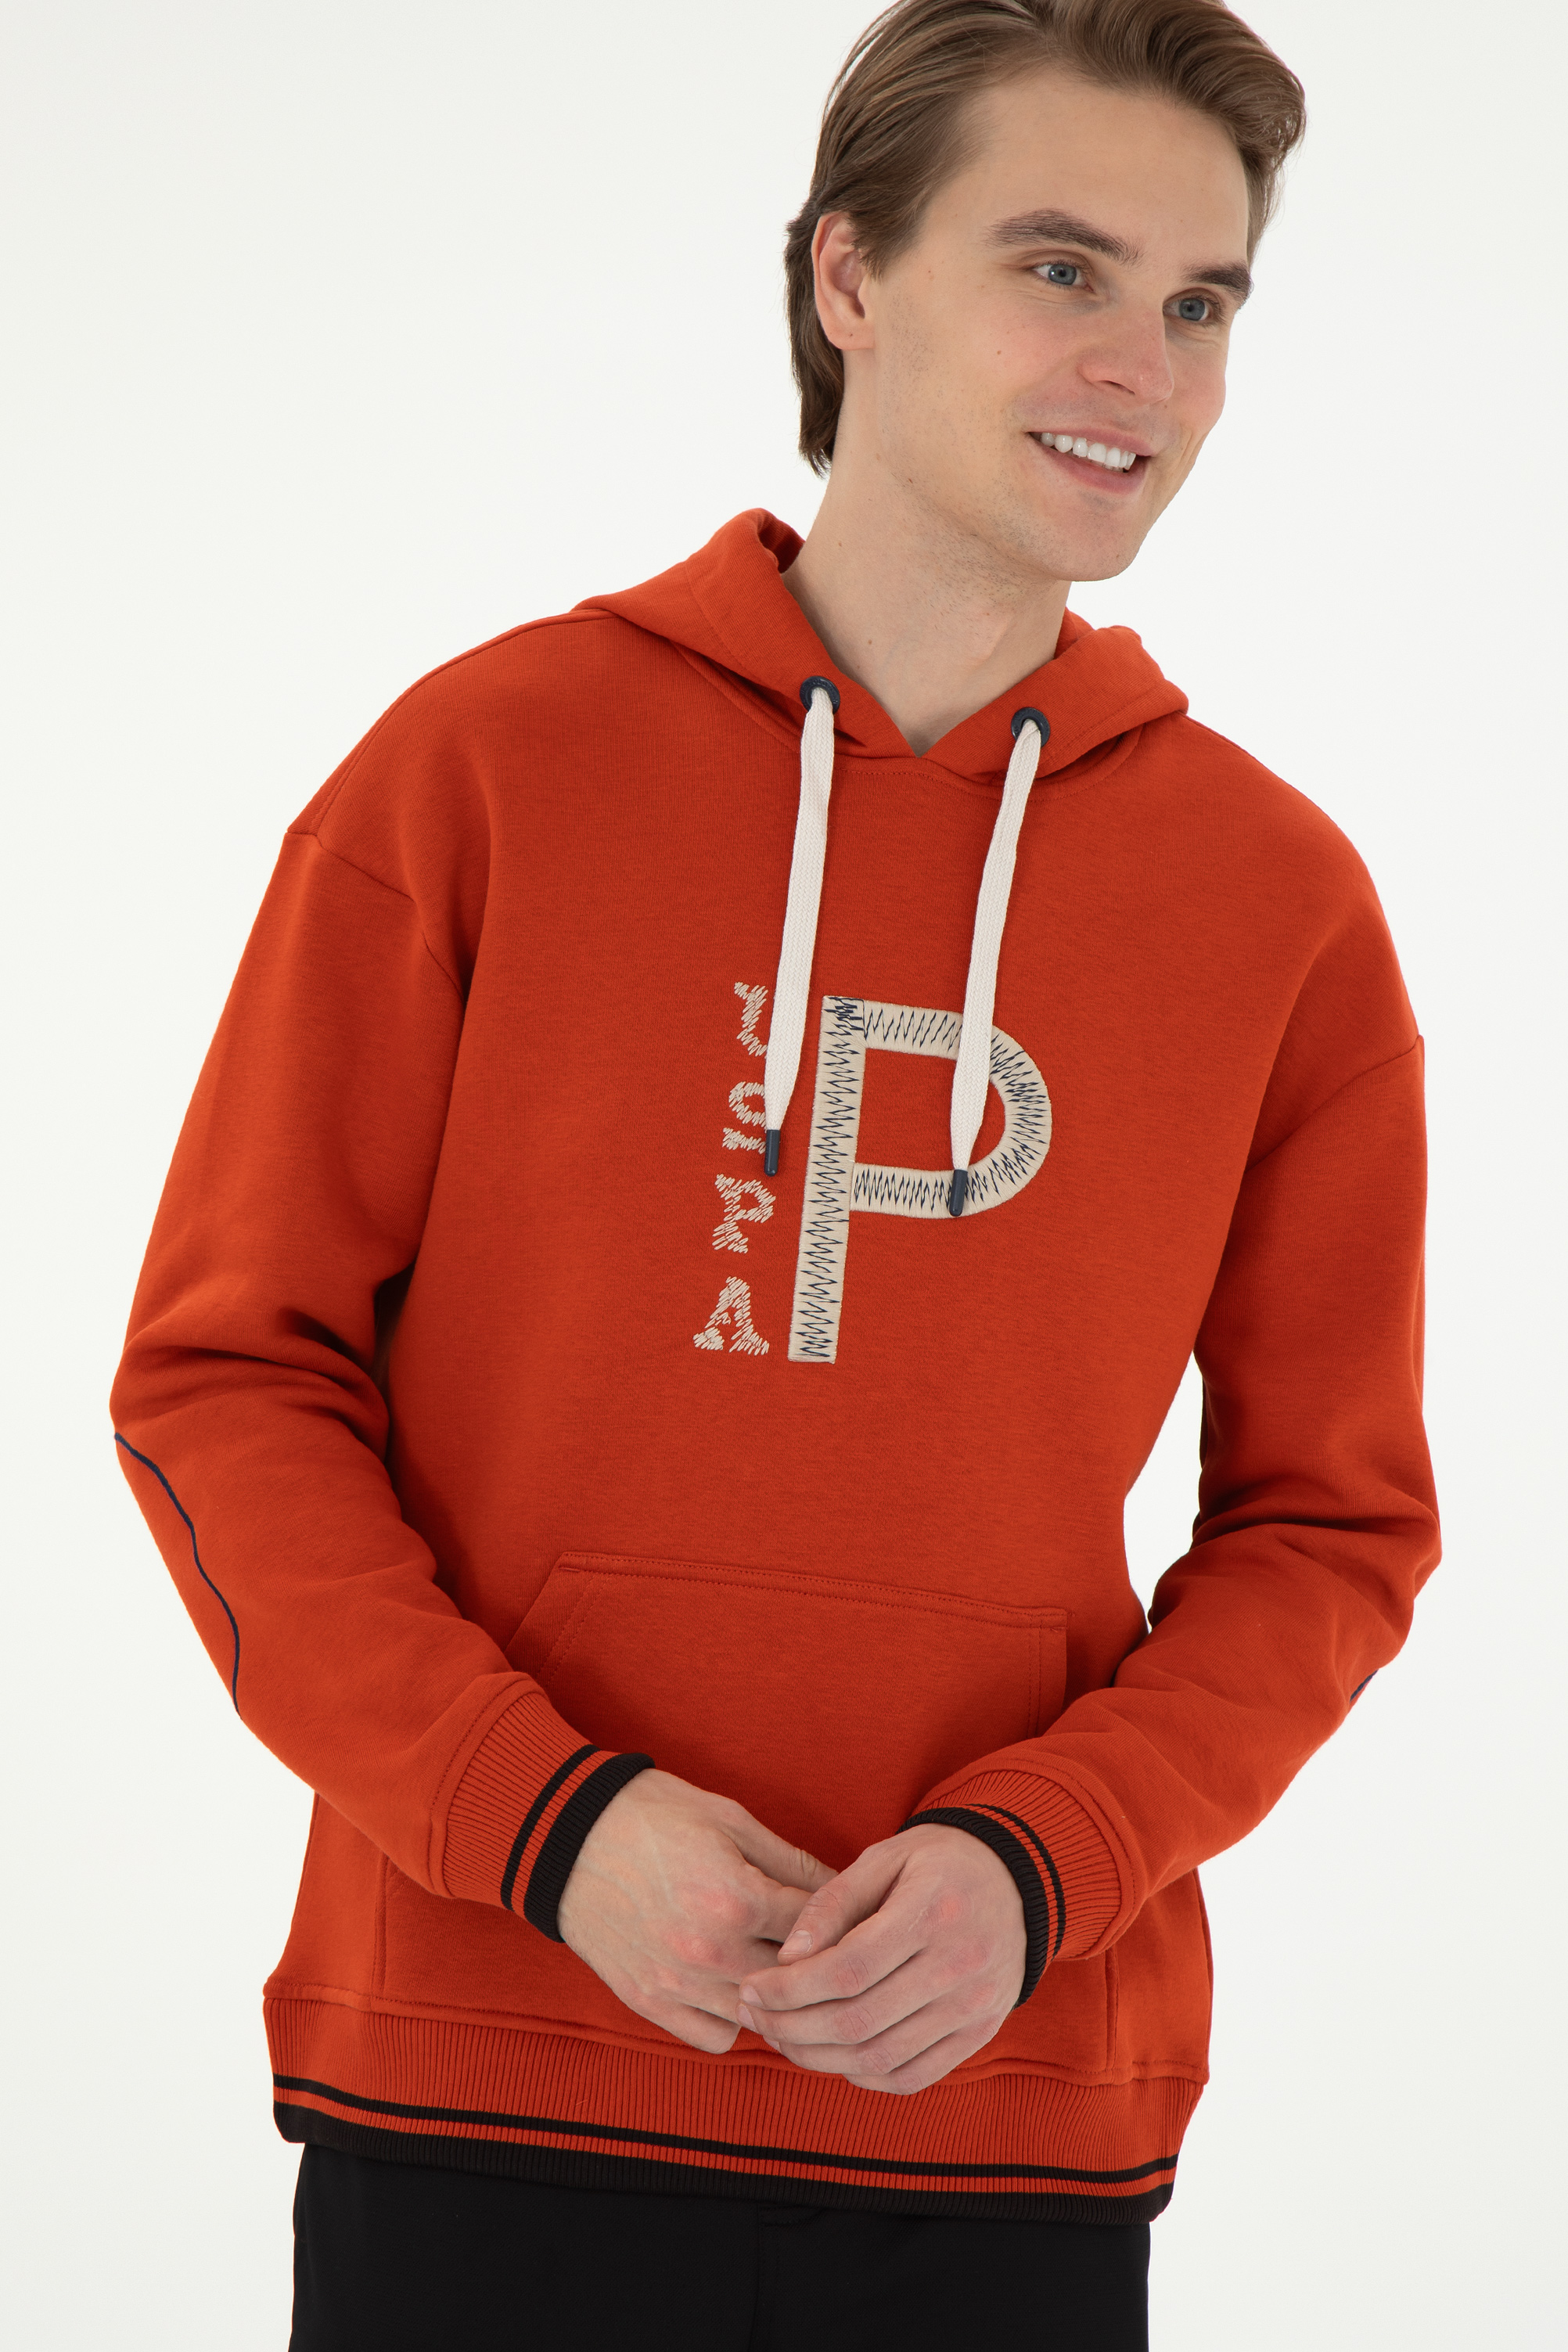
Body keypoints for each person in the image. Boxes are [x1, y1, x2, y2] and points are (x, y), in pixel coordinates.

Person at [111, 2, 1439, 2345]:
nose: (1138, 365)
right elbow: (226, 1382)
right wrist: (536, 1819)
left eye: (1200, 302)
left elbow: (1330, 1528)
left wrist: (1047, 1861)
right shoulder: (483, 772)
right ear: (847, 277)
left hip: (998, 2114)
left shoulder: (1279, 908)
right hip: (489, 2073)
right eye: (1060, 267)